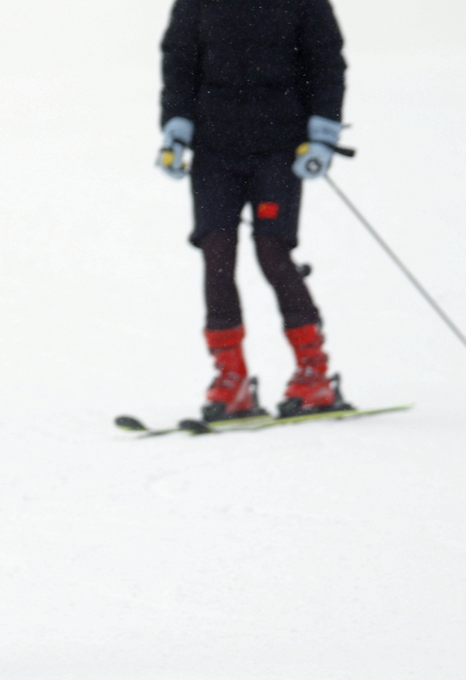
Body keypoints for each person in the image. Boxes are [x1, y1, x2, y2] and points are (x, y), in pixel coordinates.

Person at [157, 0, 350, 420]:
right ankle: (232, 381)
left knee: (272, 251)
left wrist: (322, 135)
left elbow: (325, 63)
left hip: (279, 148)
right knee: (217, 252)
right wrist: (175, 129)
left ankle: (313, 374)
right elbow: (179, 62)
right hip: (214, 150)